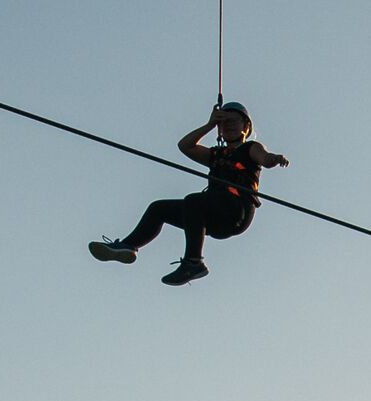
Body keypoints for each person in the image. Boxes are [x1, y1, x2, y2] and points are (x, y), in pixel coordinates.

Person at [91, 102, 286, 286]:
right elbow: (185, 146)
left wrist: (274, 159)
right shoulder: (215, 155)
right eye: (224, 123)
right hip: (214, 216)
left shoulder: (250, 148)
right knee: (159, 208)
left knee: (193, 201)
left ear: (246, 126)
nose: (229, 126)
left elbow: (264, 158)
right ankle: (128, 246)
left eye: (233, 121)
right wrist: (210, 125)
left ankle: (193, 262)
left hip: (236, 212)